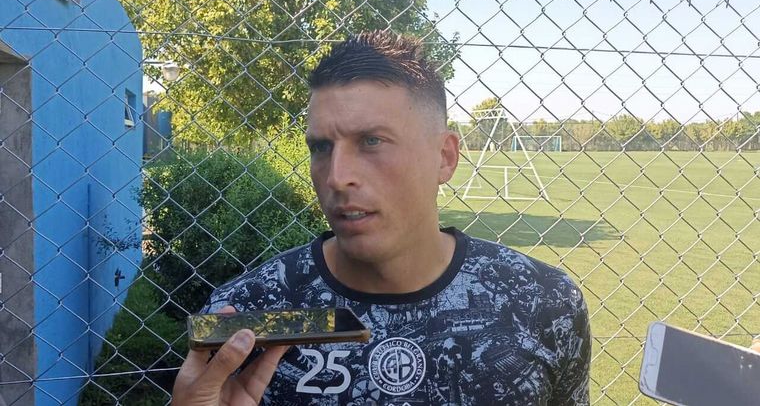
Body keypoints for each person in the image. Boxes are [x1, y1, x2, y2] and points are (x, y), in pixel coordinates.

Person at [172, 31, 591, 405]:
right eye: (321, 147)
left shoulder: (541, 302)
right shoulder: (248, 315)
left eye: (371, 141)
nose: (337, 177)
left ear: (444, 157)